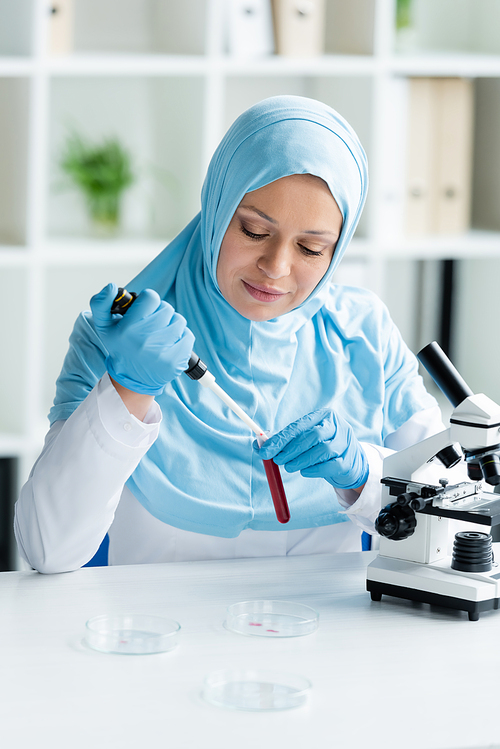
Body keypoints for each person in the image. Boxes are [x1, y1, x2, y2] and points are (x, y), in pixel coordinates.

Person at [15, 95, 443, 573]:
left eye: (310, 248)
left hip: (325, 643)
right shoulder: (123, 338)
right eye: (255, 231)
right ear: (218, 207)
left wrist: (366, 475)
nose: (276, 268)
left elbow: (463, 520)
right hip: (164, 640)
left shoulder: (364, 333)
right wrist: (127, 391)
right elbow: (47, 551)